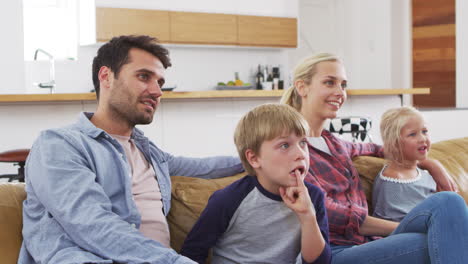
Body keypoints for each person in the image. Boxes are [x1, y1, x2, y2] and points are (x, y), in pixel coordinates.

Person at [18, 35, 243, 264]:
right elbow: (93, 225)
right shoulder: (60, 145)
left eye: (160, 83)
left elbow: (203, 167)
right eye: (144, 76)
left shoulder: (150, 154)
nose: (157, 91)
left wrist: (255, 159)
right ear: (106, 77)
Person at [281, 53, 468, 263]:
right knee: (441, 225)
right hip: (331, 252)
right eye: (329, 82)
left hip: (365, 245)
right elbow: (330, 213)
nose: (339, 92)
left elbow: (382, 149)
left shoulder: (334, 143)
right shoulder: (291, 149)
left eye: (343, 84)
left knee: (447, 210)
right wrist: (407, 228)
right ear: (302, 87)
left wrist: (432, 164)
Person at [181, 103, 331, 264]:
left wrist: (307, 216)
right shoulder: (228, 199)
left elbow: (321, 262)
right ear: (254, 158)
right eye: (285, 145)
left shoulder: (313, 197)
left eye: (303, 143)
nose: (300, 154)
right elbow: (191, 254)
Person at [373, 106, 441, 222]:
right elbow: (402, 227)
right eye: (412, 134)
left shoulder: (421, 173)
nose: (422, 138)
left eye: (424, 131)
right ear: (394, 143)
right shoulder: (394, 180)